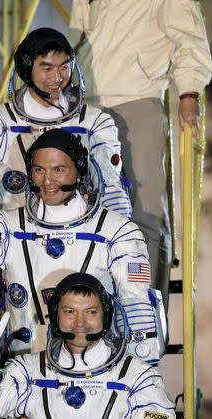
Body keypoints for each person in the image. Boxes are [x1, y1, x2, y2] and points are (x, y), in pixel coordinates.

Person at [0, 128, 166, 363]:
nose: (47, 181)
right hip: (27, 367)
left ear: (79, 171)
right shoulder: (8, 227)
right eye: (39, 170)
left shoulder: (117, 231)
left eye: (58, 169)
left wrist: (139, 373)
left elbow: (136, 305)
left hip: (98, 365)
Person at [69, 0, 212, 307]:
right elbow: (78, 37)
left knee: (145, 212)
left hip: (138, 98)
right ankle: (101, 312)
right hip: (86, 108)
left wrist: (189, 92)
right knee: (88, 213)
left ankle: (148, 310)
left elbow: (190, 37)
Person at [0, 272, 175, 419]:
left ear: (105, 318)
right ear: (55, 317)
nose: (80, 323)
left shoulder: (139, 378)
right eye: (69, 312)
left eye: (91, 312)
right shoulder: (28, 372)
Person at [0, 27, 131, 217]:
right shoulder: (2, 122)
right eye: (47, 68)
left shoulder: (94, 123)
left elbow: (110, 189)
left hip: (79, 234)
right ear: (27, 69)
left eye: (64, 66)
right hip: (19, 236)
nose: (57, 77)